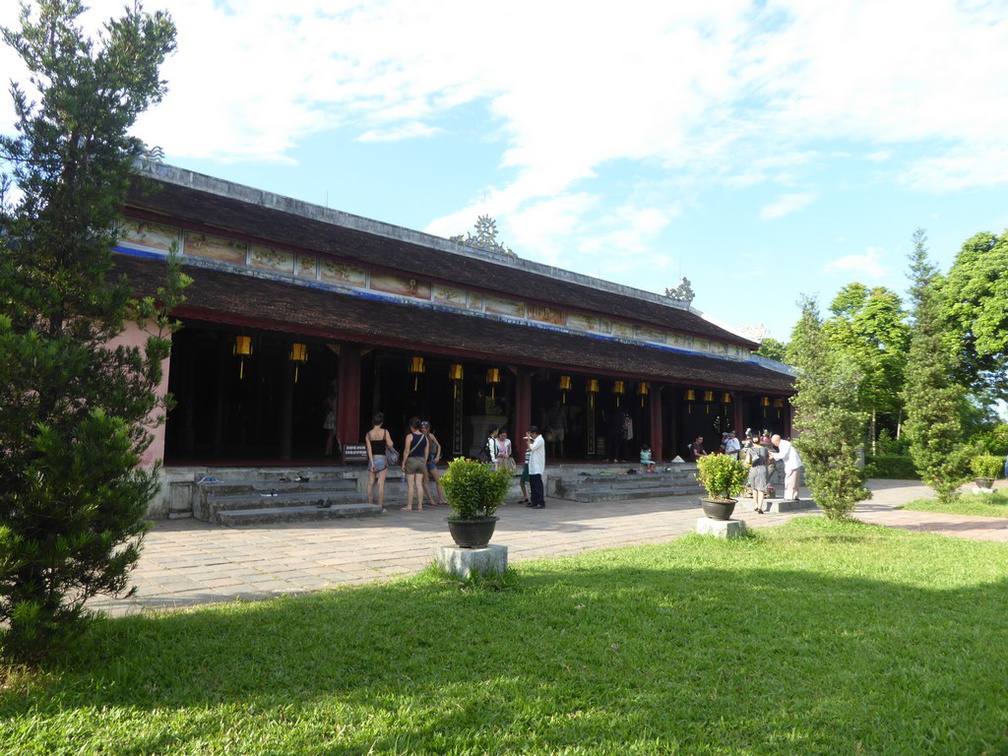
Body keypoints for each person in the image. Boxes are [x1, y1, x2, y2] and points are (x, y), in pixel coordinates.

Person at [365, 412, 394, 511]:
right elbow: (390, 444)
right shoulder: (385, 432)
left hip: (372, 459)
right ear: (381, 422)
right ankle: (379, 506)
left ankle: (369, 503)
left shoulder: (368, 434)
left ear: (373, 422)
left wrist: (372, 462)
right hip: (382, 459)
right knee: (380, 483)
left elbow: (369, 450)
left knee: (370, 482)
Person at [401, 417, 430, 512]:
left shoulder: (410, 437)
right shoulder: (425, 437)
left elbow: (406, 451)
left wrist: (403, 463)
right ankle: (420, 506)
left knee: (411, 485)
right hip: (421, 461)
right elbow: (426, 452)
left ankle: (409, 506)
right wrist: (424, 462)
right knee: (419, 484)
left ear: (412, 427)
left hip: (411, 461)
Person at [420, 420, 447, 506]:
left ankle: (441, 499)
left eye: (426, 428)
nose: (424, 429)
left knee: (438, 480)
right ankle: (430, 499)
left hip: (430, 459)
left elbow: (438, 445)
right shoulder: (420, 436)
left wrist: (437, 456)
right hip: (422, 460)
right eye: (422, 428)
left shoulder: (431, 436)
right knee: (426, 480)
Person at [770, 433, 803, 501]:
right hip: (793, 465)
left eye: (773, 443)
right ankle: (793, 495)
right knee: (793, 481)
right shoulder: (784, 444)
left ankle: (790, 496)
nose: (774, 444)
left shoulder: (784, 444)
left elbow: (783, 455)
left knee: (790, 481)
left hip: (792, 465)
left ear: (776, 441)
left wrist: (773, 455)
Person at [745, 433, 770, 514]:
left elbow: (748, 461)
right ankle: (760, 507)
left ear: (752, 441)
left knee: (754, 487)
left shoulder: (750, 450)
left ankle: (756, 505)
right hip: (763, 468)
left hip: (754, 469)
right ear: (760, 440)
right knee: (761, 488)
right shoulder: (765, 449)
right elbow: (768, 461)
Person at [525, 426, 546, 509]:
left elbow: (531, 448)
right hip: (533, 466)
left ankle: (540, 502)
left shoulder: (540, 440)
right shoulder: (536, 440)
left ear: (534, 433)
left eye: (531, 434)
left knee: (537, 485)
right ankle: (534, 501)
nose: (531, 436)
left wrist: (528, 442)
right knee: (533, 485)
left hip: (537, 466)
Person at [323, 388, 337, 457]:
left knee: (330, 435)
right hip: (332, 416)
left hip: (331, 416)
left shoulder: (333, 397)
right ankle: (328, 451)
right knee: (330, 435)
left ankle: (329, 451)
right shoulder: (332, 398)